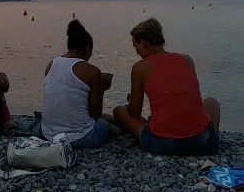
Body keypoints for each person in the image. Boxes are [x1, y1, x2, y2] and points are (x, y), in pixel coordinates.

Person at [113, 18, 221, 156]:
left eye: (136, 47)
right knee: (211, 102)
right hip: (204, 144)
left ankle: (162, 132)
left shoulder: (140, 67)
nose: (136, 52)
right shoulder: (187, 60)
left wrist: (131, 102)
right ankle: (210, 135)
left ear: (143, 42)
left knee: (119, 111)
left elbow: (134, 112)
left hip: (164, 145)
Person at [37, 20, 118, 147]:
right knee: (104, 124)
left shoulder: (51, 64)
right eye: (91, 51)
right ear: (88, 48)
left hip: (48, 134)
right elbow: (95, 114)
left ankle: (118, 120)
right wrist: (101, 87)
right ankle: (120, 127)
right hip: (81, 137)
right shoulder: (93, 71)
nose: (90, 56)